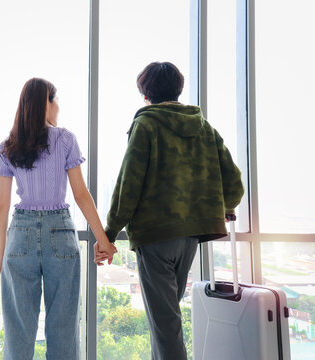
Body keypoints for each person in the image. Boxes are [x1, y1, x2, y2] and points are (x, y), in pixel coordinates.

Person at [98, 62, 244, 360]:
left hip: (155, 236)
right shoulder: (204, 127)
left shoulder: (146, 124)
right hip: (190, 237)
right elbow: (235, 183)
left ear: (145, 94)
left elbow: (129, 184)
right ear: (178, 89)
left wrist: (109, 233)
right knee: (166, 320)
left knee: (165, 324)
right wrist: (225, 208)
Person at [0, 78, 116, 360]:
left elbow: (1, 207)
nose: (58, 106)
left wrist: (3, 252)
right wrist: (104, 241)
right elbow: (82, 196)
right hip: (60, 231)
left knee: (18, 330)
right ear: (45, 104)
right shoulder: (65, 139)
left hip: (20, 235)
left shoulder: (8, 146)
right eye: (55, 99)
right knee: (63, 326)